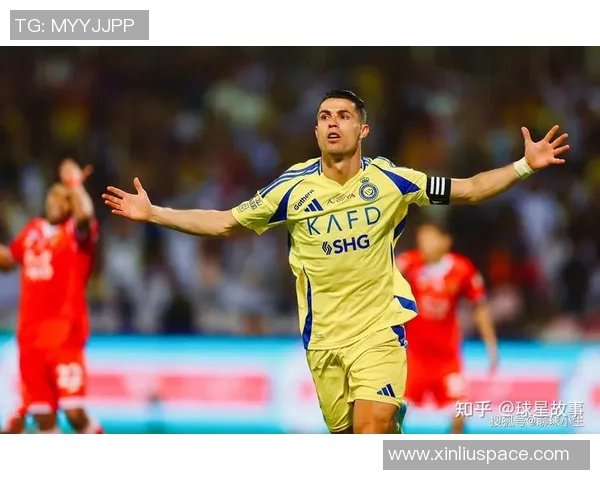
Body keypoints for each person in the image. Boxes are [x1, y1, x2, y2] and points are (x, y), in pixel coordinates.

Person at [102, 90, 569, 434]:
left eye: (344, 116)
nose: (332, 123)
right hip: (323, 339)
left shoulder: (392, 180)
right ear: (316, 131)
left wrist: (524, 165)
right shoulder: (291, 188)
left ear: (362, 130)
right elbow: (225, 222)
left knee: (371, 429)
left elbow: (467, 189)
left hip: (379, 330)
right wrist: (155, 213)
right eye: (324, 116)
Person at [0, 159, 103, 434]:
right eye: (52, 195)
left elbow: (85, 215)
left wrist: (75, 183)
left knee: (74, 413)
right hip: (30, 339)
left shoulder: (76, 235)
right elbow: (9, 260)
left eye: (63, 197)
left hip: (64, 336)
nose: (55, 200)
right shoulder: (33, 230)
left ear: (71, 203)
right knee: (43, 417)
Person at [396, 222, 498, 434]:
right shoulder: (408, 264)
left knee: (460, 413)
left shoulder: (462, 269)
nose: (424, 243)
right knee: (393, 414)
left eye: (430, 238)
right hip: (414, 357)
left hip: (447, 359)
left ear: (446, 241)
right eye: (422, 238)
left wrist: (491, 347)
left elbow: (480, 308)